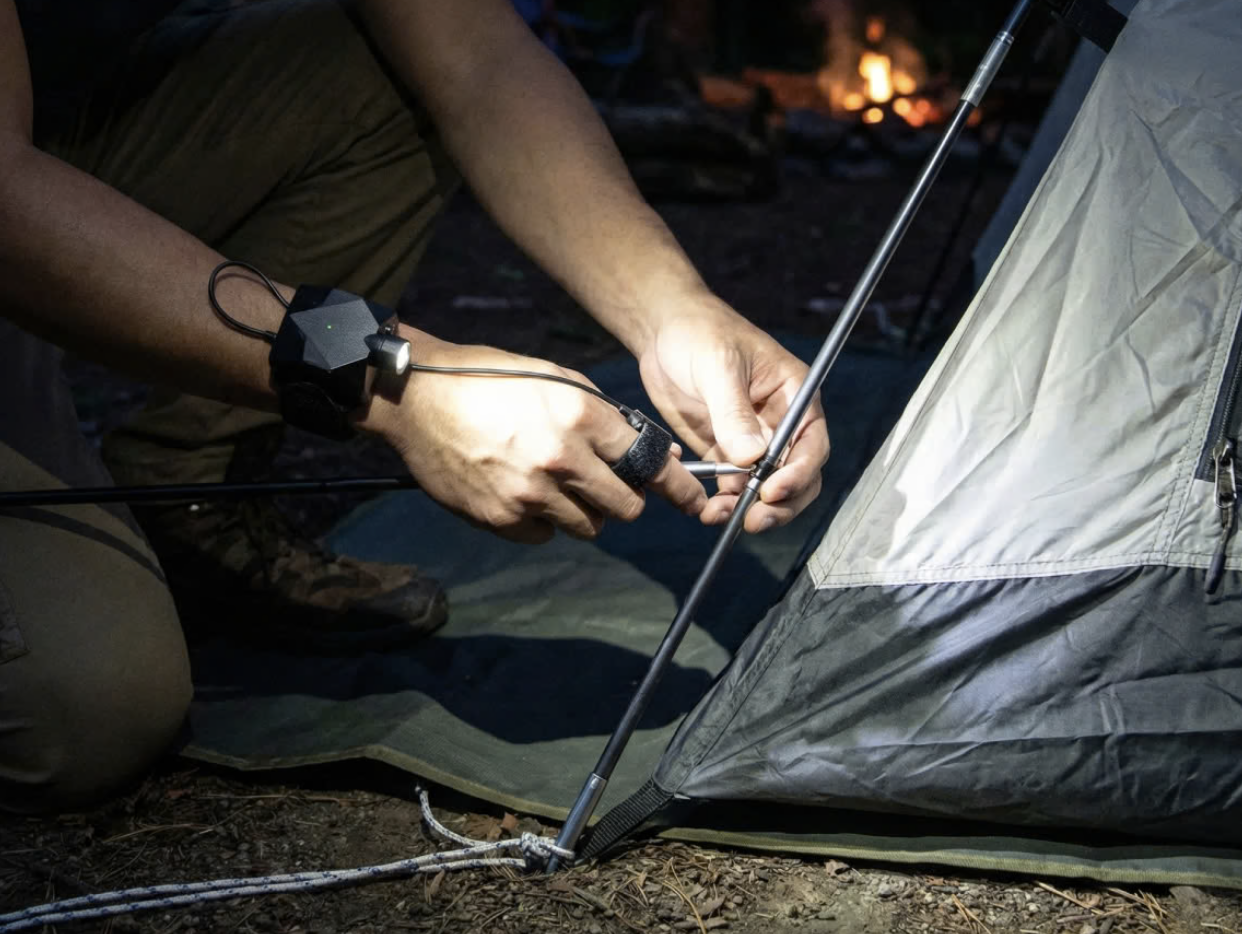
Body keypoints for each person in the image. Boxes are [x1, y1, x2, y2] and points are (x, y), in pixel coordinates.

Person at [0, 0, 829, 813]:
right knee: (89, 709)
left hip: (67, 140)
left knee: (384, 60)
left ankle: (188, 485)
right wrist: (397, 379)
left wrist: (671, 310)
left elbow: (474, 54)